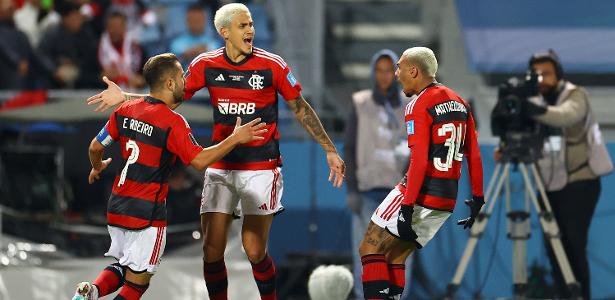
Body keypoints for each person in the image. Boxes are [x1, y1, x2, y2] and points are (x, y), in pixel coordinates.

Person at [86, 3, 346, 300]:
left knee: (254, 249)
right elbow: (168, 96)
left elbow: (299, 108)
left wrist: (329, 148)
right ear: (224, 32)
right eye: (243, 25)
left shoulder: (272, 64)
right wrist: (127, 96)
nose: (251, 30)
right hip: (221, 165)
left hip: (261, 167)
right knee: (211, 251)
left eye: (251, 24)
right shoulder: (205, 64)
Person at [72, 53, 267, 300]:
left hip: (118, 204)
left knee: (126, 265)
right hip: (147, 212)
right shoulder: (173, 122)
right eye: (181, 77)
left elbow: (95, 147)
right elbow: (199, 161)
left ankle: (92, 292)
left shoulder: (125, 110)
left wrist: (97, 167)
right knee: (139, 281)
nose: (186, 82)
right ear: (170, 84)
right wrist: (236, 138)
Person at [358, 47, 484, 300]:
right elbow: (474, 155)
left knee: (369, 249)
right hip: (446, 199)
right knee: (395, 256)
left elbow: (419, 160)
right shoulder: (461, 103)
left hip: (419, 193)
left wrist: (406, 206)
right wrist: (478, 198)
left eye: (400, 68)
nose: (396, 74)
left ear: (414, 71)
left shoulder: (418, 105)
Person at [523, 49, 613, 300]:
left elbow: (565, 116)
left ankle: (581, 296)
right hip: (547, 185)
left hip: (580, 182)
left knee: (573, 246)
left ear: (559, 74)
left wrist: (530, 109)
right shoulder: (535, 101)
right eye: (537, 74)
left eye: (547, 74)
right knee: (554, 249)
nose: (542, 79)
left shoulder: (576, 95)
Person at [344, 49, 412, 299]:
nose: (384, 76)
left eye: (389, 70)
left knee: (398, 258)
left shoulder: (409, 104)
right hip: (367, 193)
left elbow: (417, 149)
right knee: (367, 256)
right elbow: (349, 148)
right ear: (373, 73)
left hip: (400, 196)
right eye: (379, 70)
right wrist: (351, 190)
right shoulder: (360, 102)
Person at [98, 11, 145, 90]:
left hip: (133, 94)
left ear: (125, 27)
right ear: (107, 28)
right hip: (103, 93)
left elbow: (146, 76)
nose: (115, 30)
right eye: (112, 27)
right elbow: (85, 77)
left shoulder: (137, 48)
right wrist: (100, 77)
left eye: (119, 27)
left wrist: (141, 80)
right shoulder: (97, 48)